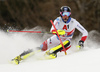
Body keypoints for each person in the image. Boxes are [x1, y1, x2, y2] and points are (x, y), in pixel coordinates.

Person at [12, 6, 88, 64]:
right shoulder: (57, 20)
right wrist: (58, 31)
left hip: (66, 42)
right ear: (60, 14)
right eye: (63, 14)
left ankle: (51, 52)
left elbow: (85, 32)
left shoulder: (73, 22)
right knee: (41, 48)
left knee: (68, 42)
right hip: (57, 38)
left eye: (67, 14)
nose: (65, 16)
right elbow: (52, 30)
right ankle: (19, 57)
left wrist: (81, 41)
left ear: (70, 14)